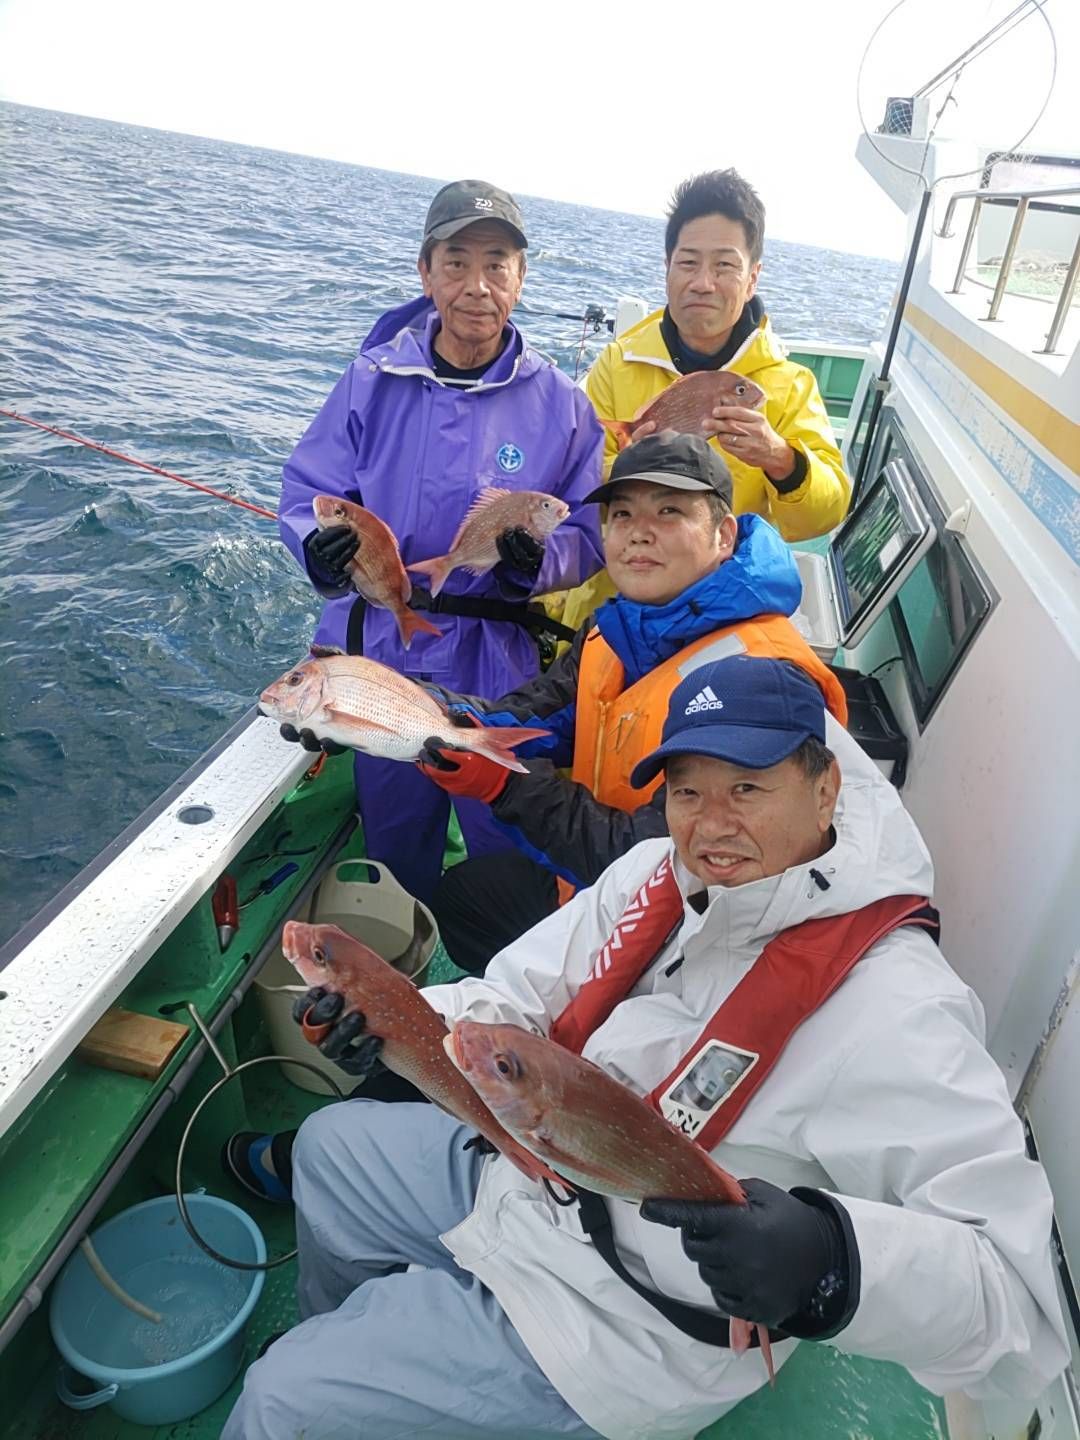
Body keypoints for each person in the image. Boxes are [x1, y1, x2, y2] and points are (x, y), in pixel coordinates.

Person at [221, 655, 1067, 1440]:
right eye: (688, 791)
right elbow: (511, 994)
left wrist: (832, 1264)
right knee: (328, 1149)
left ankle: (362, 1379)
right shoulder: (656, 874)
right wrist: (393, 1022)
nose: (712, 824)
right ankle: (368, 1364)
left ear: (826, 791)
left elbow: (1017, 1302)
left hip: (622, 1321)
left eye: (748, 788)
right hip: (533, 1182)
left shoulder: (897, 1007)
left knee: (281, 1399)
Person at [277, 178, 604, 903]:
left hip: (497, 654)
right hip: (379, 645)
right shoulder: (370, 381)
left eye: (496, 264)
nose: (476, 285)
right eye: (456, 262)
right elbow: (307, 492)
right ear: (426, 272)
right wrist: (316, 550)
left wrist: (538, 563)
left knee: (507, 837)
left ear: (521, 277)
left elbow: (590, 526)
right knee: (395, 837)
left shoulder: (565, 407)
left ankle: (506, 960)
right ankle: (405, 949)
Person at [419, 429, 849, 975]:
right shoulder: (616, 627)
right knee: (463, 897)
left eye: (669, 511)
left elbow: (660, 861)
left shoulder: (760, 676)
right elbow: (536, 713)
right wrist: (418, 707)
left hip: (686, 937)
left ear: (723, 535)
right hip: (599, 892)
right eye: (621, 514)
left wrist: (503, 783)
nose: (639, 532)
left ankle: (583, 1012)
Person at [551, 167, 851, 634]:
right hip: (610, 611)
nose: (703, 282)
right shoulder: (617, 364)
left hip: (719, 618)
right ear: (667, 268)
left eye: (725, 266)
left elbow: (824, 514)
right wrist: (627, 465)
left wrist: (780, 458)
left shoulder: (790, 385)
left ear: (752, 278)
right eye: (688, 263)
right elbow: (568, 483)